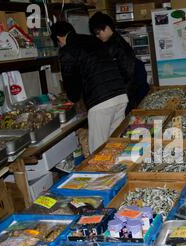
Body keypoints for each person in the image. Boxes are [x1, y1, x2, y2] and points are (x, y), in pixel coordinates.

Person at [50, 21, 128, 153]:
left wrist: (73, 98)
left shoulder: (67, 50)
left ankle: (101, 173)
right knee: (116, 145)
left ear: (59, 38)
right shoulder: (93, 40)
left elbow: (72, 88)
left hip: (101, 102)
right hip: (120, 95)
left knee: (98, 151)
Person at [89, 12, 150, 115]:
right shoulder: (110, 44)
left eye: (98, 32)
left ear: (107, 28)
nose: (97, 36)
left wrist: (120, 101)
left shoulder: (118, 47)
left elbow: (128, 76)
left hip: (128, 96)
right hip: (124, 95)